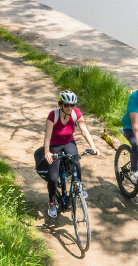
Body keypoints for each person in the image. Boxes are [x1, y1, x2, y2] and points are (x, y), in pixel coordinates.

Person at [35, 90, 98, 218]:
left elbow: (84, 131)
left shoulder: (76, 113)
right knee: (53, 178)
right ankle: (52, 202)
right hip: (54, 145)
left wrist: (93, 147)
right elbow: (47, 136)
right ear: (61, 104)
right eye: (66, 105)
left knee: (76, 163)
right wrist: (47, 152)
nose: (69, 108)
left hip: (69, 142)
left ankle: (78, 187)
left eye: (71, 105)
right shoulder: (53, 115)